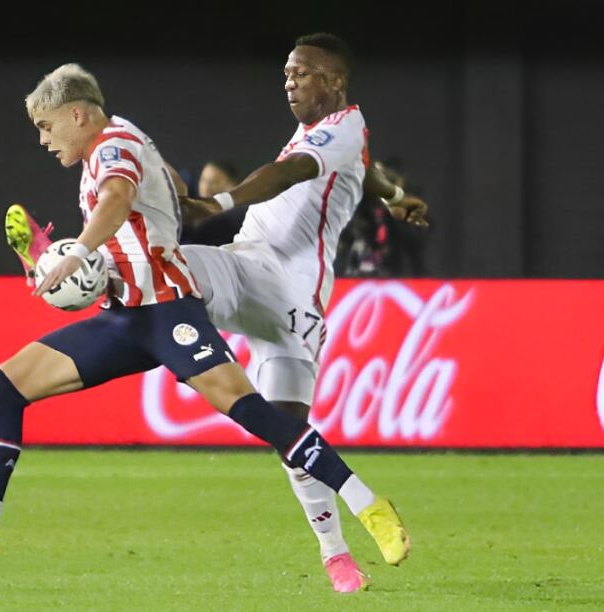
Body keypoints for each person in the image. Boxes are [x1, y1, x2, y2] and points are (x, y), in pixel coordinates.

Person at [0, 65, 407, 590]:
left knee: (256, 413)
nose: (42, 139)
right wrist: (73, 267)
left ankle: (368, 505)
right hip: (124, 318)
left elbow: (118, 198)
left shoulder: (112, 145)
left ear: (78, 114)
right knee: (2, 386)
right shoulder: (125, 140)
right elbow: (171, 189)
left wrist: (78, 250)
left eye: (47, 127)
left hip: (169, 312)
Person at [175, 33, 427, 591]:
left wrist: (213, 203)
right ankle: (338, 555)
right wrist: (395, 196)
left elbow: (283, 174)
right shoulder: (339, 129)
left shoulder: (336, 132)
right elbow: (368, 168)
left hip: (292, 295)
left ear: (334, 81)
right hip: (246, 266)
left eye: (302, 73)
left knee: (291, 433)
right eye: (287, 72)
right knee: (170, 266)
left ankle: (337, 551)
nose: (289, 81)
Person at [181, 160, 248, 247]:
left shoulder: (240, 217)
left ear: (232, 185)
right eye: (203, 180)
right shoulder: (190, 216)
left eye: (214, 182)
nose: (206, 187)